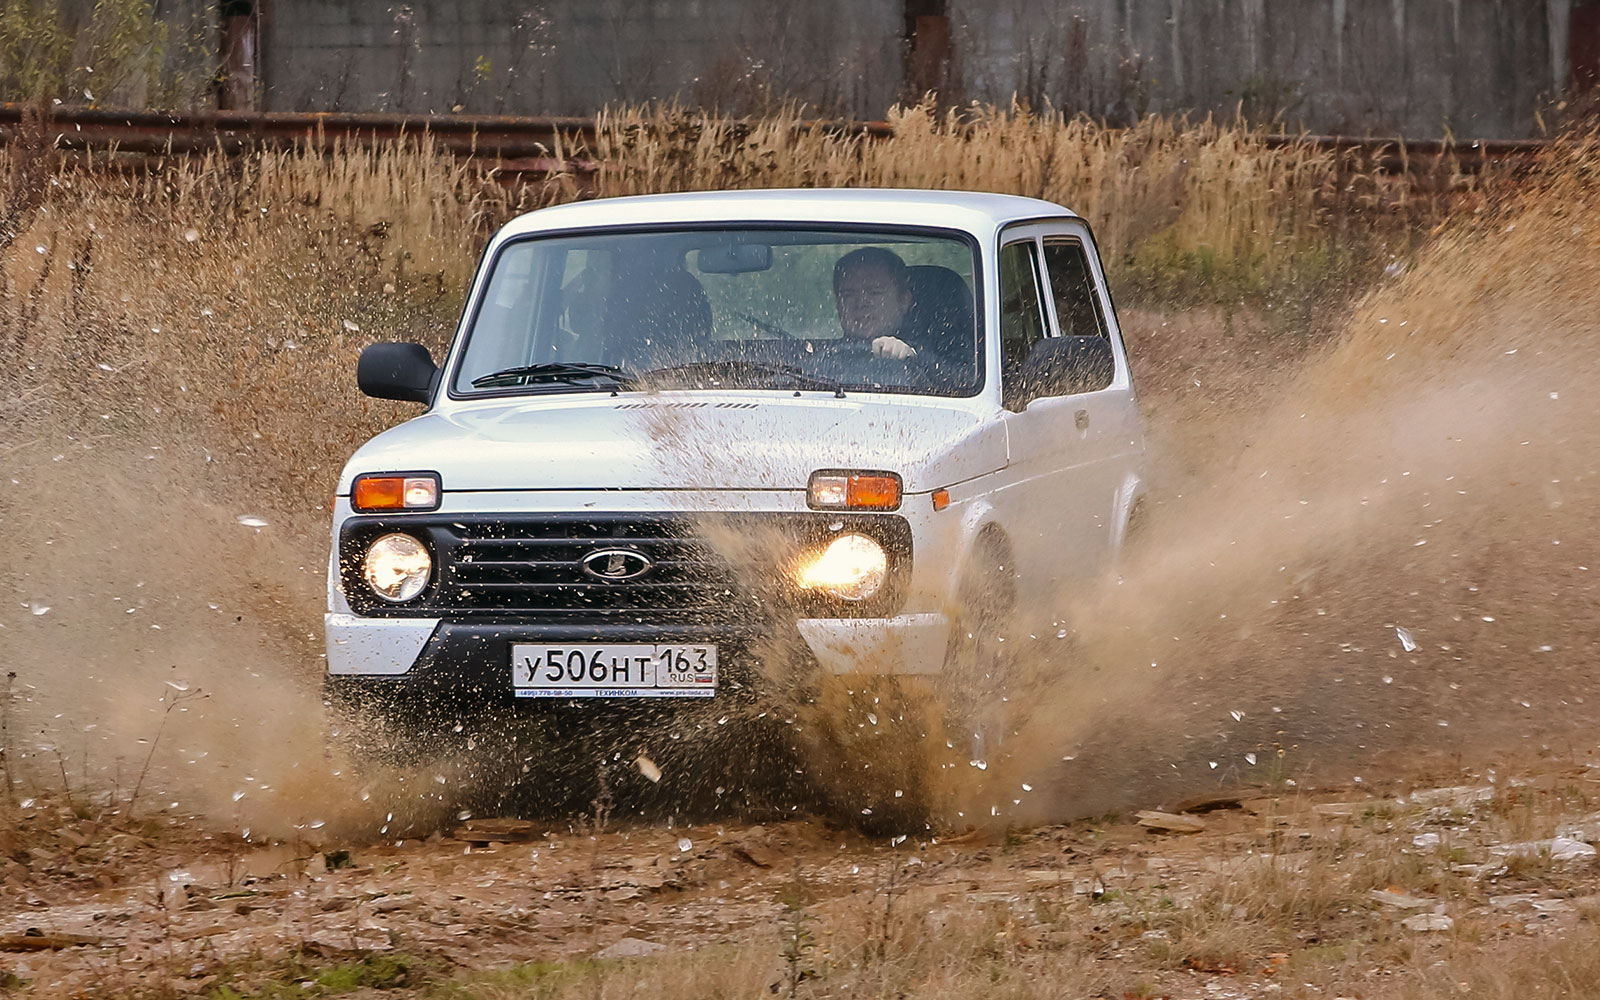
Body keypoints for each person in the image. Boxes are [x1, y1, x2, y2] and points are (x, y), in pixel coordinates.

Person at [831, 247, 976, 385]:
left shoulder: (945, 346)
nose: (861, 303)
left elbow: (966, 383)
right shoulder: (822, 356)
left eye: (875, 292)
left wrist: (912, 357)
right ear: (838, 305)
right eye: (848, 294)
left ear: (903, 301)